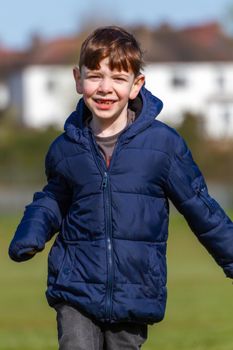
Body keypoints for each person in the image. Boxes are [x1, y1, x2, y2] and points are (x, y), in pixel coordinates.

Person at [9, 26, 233, 350]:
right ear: (77, 79)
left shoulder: (163, 146)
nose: (105, 88)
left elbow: (201, 208)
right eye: (95, 75)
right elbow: (54, 199)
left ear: (135, 85)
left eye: (117, 77)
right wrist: (31, 231)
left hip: (135, 290)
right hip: (75, 285)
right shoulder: (65, 148)